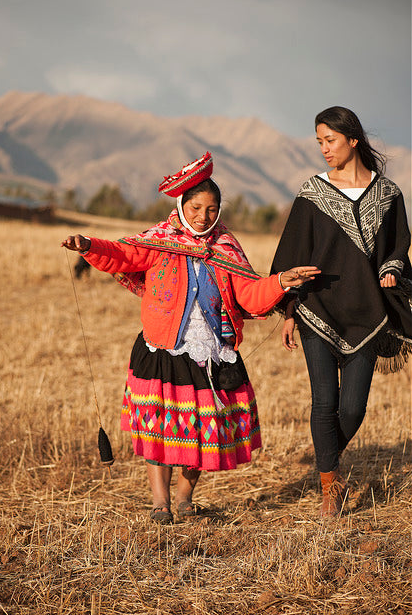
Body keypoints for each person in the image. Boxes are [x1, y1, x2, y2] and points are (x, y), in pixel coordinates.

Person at [62, 152, 320, 524]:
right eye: (196, 207)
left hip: (211, 354)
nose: (204, 216)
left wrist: (280, 281)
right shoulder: (160, 242)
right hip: (163, 351)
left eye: (212, 209)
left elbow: (249, 295)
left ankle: (185, 497)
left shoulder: (227, 249)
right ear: (182, 206)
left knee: (199, 435)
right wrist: (88, 245)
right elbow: (120, 254)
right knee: (159, 434)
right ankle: (159, 503)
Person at [270, 107, 412, 518]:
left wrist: (390, 270)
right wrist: (290, 312)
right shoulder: (311, 193)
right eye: (319, 142)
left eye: (329, 140)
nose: (323, 150)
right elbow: (292, 254)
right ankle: (330, 486)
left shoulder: (388, 194)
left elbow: (397, 247)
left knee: (353, 409)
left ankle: (327, 463)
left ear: (352, 139)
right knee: (323, 404)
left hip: (366, 315)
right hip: (317, 310)